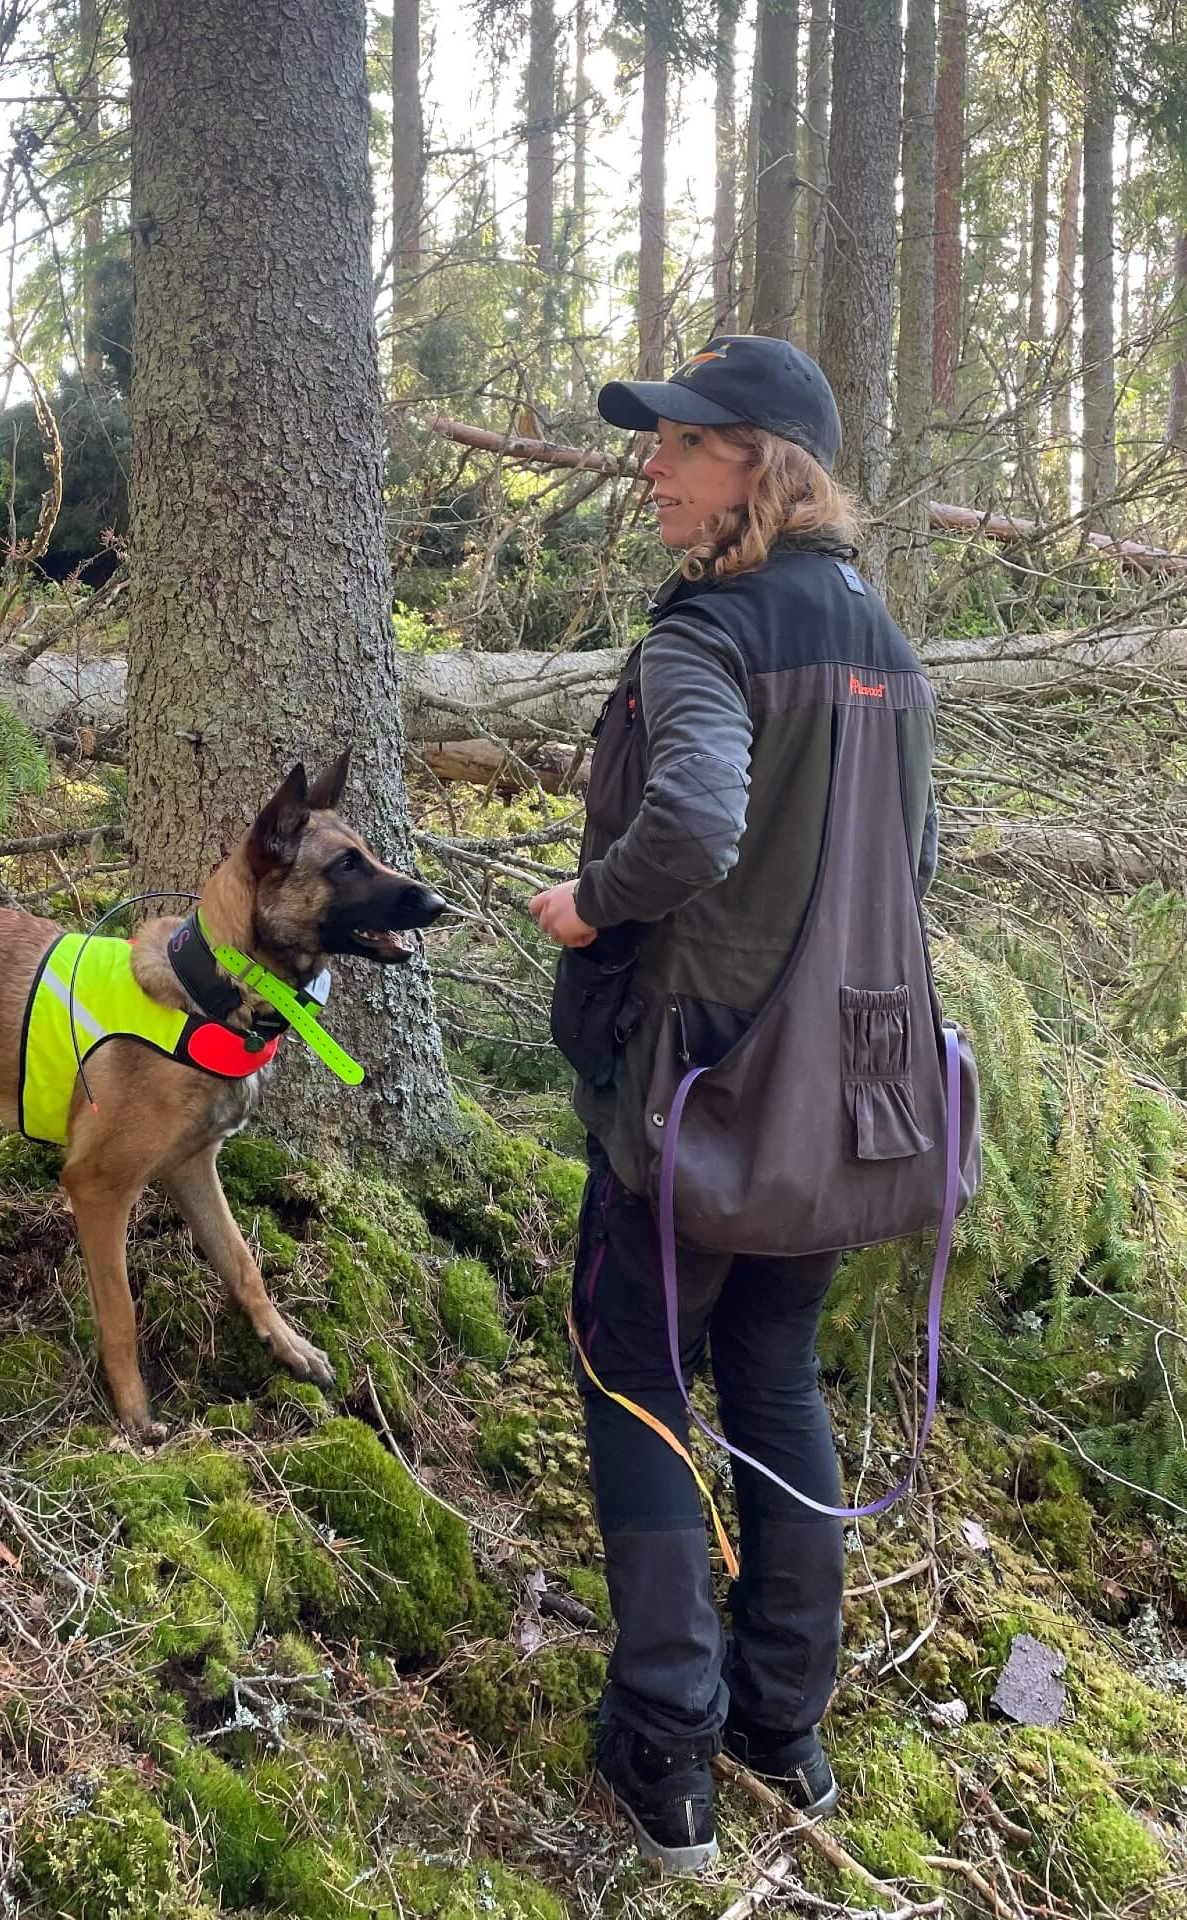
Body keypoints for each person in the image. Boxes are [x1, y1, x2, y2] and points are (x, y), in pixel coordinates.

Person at [528, 335, 945, 1872]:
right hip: (854, 1101)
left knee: (631, 1367)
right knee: (772, 1378)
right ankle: (788, 1729)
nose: (652, 468)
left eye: (682, 445)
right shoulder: (887, 648)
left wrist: (588, 905)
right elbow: (915, 866)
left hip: (698, 1088)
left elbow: (693, 820)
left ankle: (666, 1749)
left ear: (759, 467)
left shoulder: (703, 630)